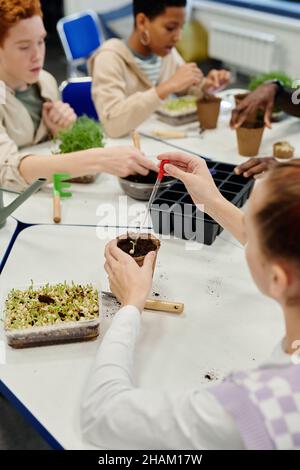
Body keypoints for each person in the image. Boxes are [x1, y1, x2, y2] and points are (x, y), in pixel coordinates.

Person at [81, 154, 300, 450]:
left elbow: (101, 416)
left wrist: (131, 303)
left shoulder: (256, 408)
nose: (245, 233)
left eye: (251, 224)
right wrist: (210, 200)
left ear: (278, 279)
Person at [0, 0, 156, 191]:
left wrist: (60, 131)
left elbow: (48, 154)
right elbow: (7, 170)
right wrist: (99, 158)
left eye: (41, 41)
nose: (37, 55)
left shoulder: (45, 82)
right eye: (24, 47)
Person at [88, 0, 230, 138]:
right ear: (142, 22)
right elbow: (113, 125)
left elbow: (187, 88)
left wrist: (207, 86)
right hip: (129, 149)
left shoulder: (166, 52)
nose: (178, 37)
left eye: (181, 28)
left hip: (163, 141)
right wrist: (166, 87)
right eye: (170, 28)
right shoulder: (109, 58)